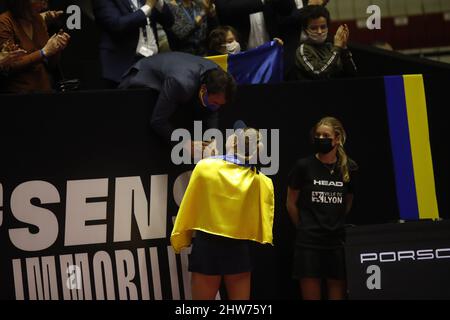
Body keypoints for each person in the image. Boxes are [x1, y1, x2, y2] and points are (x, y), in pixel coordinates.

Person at [171, 123, 275, 300]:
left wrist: (181, 238)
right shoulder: (263, 183)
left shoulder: (205, 168)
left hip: (207, 248)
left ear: (230, 142)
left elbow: (188, 208)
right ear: (258, 150)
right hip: (238, 250)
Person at [286, 116, 358, 300]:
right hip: (308, 243)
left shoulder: (348, 168)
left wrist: (335, 219)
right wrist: (303, 227)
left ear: (337, 138)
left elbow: (348, 200)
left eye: (325, 135)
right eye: (317, 135)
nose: (320, 138)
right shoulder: (303, 166)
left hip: (336, 242)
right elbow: (291, 202)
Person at [119, 52, 236, 151]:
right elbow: (157, 121)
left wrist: (213, 139)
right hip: (139, 82)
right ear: (203, 89)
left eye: (220, 105)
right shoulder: (181, 83)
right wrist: (186, 144)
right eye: (215, 103)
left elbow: (212, 112)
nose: (217, 107)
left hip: (173, 81)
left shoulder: (218, 76)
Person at [92, 0, 174, 88]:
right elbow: (116, 25)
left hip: (151, 62)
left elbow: (169, 22)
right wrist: (148, 7)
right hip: (122, 66)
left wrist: (158, 2)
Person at [0, 0, 70, 93]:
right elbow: (9, 65)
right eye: (40, 1)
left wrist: (57, 47)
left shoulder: (38, 20)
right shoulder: (5, 22)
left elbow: (51, 65)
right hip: (18, 94)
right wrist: (43, 52)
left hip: (44, 90)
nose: (44, 6)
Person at [294, 5, 357, 80]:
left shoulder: (330, 47)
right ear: (305, 30)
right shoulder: (303, 50)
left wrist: (343, 48)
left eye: (323, 27)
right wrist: (337, 48)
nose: (319, 32)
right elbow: (318, 73)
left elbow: (352, 74)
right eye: (313, 28)